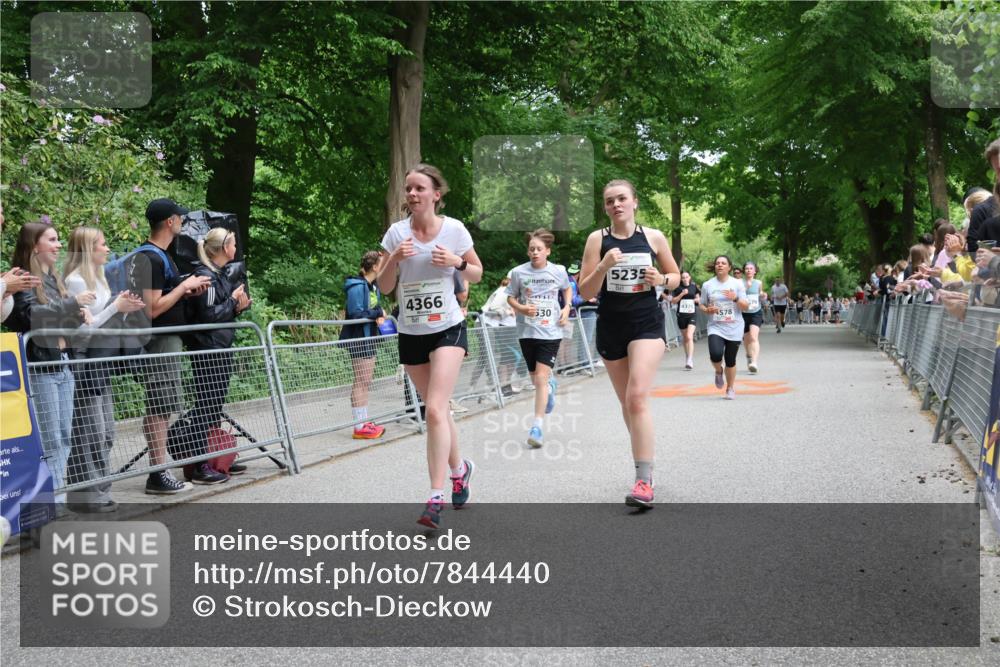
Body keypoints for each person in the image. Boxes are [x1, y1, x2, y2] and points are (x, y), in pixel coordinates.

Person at [378, 163, 483, 530]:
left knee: (435, 409)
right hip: (411, 331)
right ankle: (460, 470)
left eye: (419, 188)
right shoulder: (396, 234)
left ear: (436, 194)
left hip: (448, 327)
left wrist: (456, 262)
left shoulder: (453, 230)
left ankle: (434, 496)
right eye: (408, 188)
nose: (412, 194)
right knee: (437, 412)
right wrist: (395, 258)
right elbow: (385, 286)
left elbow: (476, 272)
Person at [578, 179, 680, 509]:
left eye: (622, 198)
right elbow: (585, 292)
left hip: (646, 322)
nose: (616, 205)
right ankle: (644, 460)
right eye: (609, 201)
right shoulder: (598, 239)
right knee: (627, 403)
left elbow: (676, 276)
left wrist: (661, 280)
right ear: (605, 207)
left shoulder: (653, 237)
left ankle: (643, 480)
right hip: (611, 325)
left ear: (635, 202)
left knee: (637, 396)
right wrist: (605, 265)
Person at [8, 222, 93, 504]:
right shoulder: (21, 278)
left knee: (64, 437)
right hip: (39, 366)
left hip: (62, 364)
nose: (59, 245)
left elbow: (58, 320)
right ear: (34, 246)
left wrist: (78, 315)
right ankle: (47, 502)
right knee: (49, 440)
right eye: (52, 240)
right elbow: (30, 315)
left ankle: (57, 499)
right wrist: (71, 305)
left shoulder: (54, 278)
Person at [131, 198, 211, 495]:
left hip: (167, 340)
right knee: (160, 407)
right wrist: (182, 287)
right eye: (180, 217)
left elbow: (165, 298)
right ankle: (157, 473)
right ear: (170, 222)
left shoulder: (160, 256)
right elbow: (151, 309)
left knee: (163, 406)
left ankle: (159, 470)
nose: (182, 222)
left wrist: (186, 291)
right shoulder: (151, 257)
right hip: (160, 341)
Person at [63, 227, 145, 512]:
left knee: (107, 431)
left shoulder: (100, 279)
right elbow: (84, 329)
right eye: (102, 244)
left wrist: (123, 308)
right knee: (91, 431)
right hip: (85, 359)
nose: (107, 249)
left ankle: (97, 489)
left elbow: (104, 322)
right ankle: (87, 494)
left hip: (102, 357)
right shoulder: (74, 282)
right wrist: (114, 307)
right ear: (88, 248)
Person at [181, 227, 251, 484]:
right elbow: (208, 316)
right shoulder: (205, 276)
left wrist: (237, 306)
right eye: (233, 244)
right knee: (205, 406)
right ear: (224, 248)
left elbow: (221, 312)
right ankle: (199, 464)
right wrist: (232, 303)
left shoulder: (220, 275)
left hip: (220, 348)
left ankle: (214, 458)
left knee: (214, 407)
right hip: (208, 350)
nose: (236, 248)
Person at [505, 229, 572, 448]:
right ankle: (550, 387)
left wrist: (567, 307)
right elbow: (510, 297)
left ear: (548, 251)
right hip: (527, 331)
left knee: (540, 379)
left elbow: (567, 288)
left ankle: (537, 426)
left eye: (539, 249)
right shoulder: (518, 273)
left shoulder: (558, 271)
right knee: (536, 379)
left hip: (551, 331)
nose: (535, 252)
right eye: (532, 249)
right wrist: (522, 308)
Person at [341, 251, 387, 440]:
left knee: (366, 380)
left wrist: (379, 316)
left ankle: (364, 422)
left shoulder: (372, 286)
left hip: (370, 337)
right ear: (375, 267)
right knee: (361, 380)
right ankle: (359, 426)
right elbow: (355, 314)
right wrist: (377, 313)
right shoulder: (356, 286)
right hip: (359, 337)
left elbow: (372, 311)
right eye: (382, 263)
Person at [699, 255, 748, 400]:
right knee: (715, 354)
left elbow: (745, 306)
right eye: (717, 263)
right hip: (716, 326)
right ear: (715, 267)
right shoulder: (708, 285)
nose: (720, 265)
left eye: (723, 263)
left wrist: (735, 298)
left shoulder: (737, 284)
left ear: (729, 267)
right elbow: (701, 304)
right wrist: (707, 310)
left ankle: (730, 388)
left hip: (735, 326)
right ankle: (719, 370)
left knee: (730, 359)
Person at [669, 271, 699, 370]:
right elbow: (673, 301)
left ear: (689, 277)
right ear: (681, 279)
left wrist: (697, 300)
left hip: (692, 315)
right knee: (685, 338)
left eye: (687, 277)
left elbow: (698, 298)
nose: (685, 279)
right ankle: (687, 357)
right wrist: (681, 294)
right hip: (681, 316)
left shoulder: (694, 287)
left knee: (689, 336)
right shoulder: (678, 288)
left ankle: (690, 359)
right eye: (683, 277)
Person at [741, 261, 765, 373]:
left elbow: (761, 294)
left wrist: (763, 295)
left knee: (753, 337)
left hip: (756, 312)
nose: (749, 270)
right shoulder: (739, 282)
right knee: (746, 339)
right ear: (744, 271)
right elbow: (736, 296)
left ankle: (754, 362)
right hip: (743, 313)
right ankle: (749, 355)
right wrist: (746, 287)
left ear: (755, 271)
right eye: (747, 268)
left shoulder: (759, 282)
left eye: (751, 268)